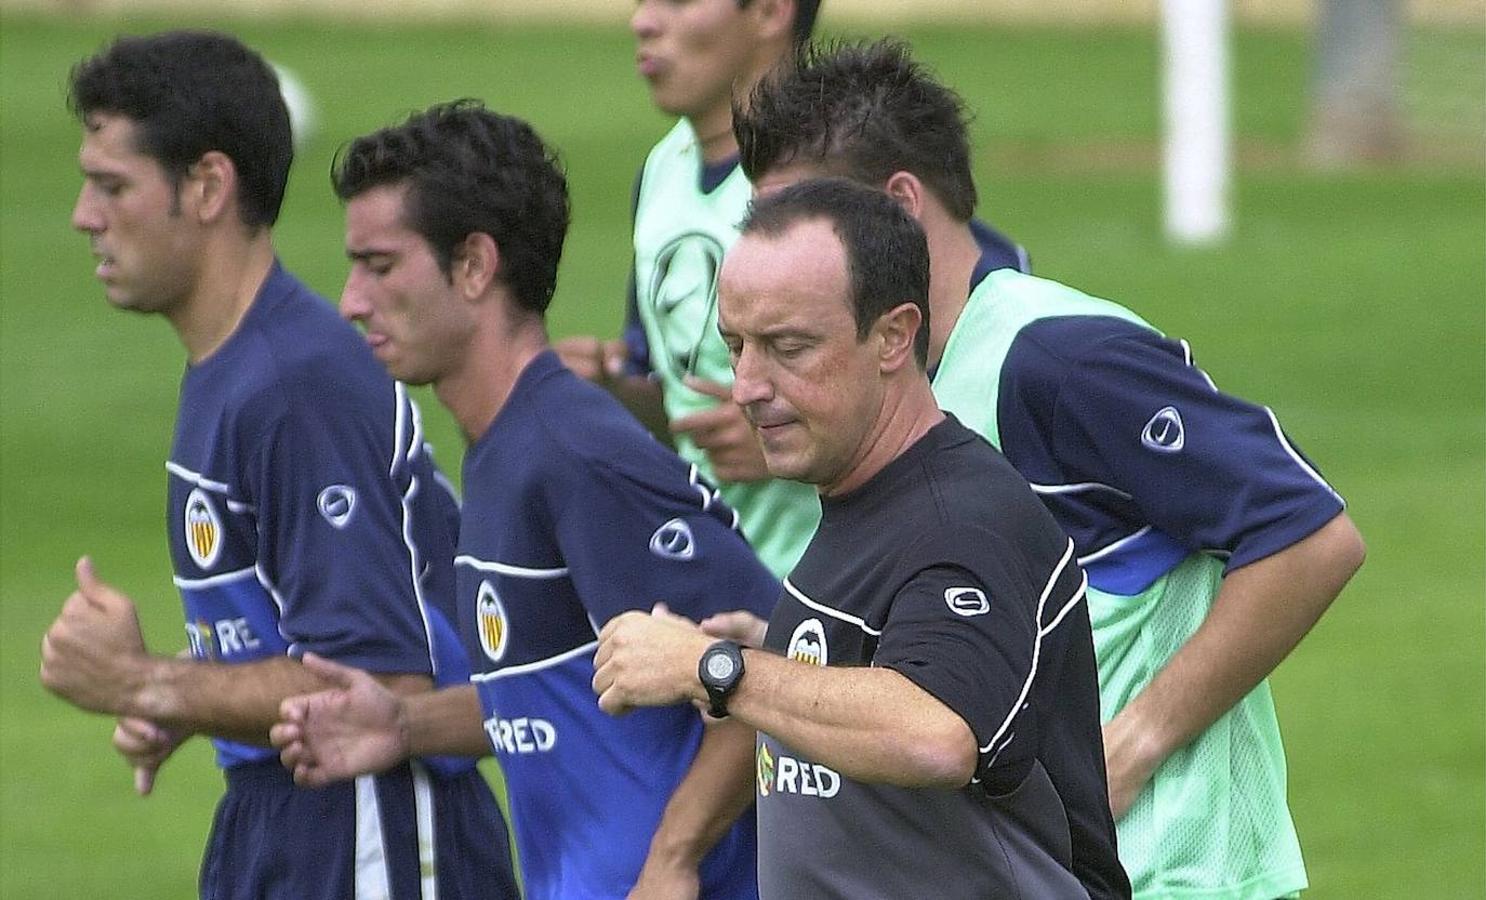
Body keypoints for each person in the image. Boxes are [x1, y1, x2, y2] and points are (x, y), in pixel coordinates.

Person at [728, 39, 1368, 899]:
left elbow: (1313, 536)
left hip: (1173, 870)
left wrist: (1134, 742)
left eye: (796, 212)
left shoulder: (1056, 358)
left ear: (898, 206)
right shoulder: (900, 392)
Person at [38, 31, 515, 900]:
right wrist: (185, 697)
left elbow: (379, 680)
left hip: (369, 825)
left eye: (113, 185)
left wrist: (148, 683)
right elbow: (303, 623)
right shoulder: (236, 366)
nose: (83, 214)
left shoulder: (292, 386)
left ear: (208, 187)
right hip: (291, 814)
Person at [269, 100, 780, 900]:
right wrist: (406, 726)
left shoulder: (577, 454)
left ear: (474, 265)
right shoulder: (506, 447)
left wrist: (673, 858)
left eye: (379, 265)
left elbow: (777, 666)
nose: (350, 301)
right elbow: (555, 698)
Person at [593, 177, 1131, 899]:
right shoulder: (861, 498)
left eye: (788, 347)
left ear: (892, 336)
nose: (748, 384)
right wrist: (774, 652)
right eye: (737, 345)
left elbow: (935, 733)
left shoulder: (960, 520)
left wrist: (715, 669)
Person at [560, 0, 1030, 579]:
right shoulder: (662, 171)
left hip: (856, 577)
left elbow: (980, 359)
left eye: (678, 0)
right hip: (717, 573)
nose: (644, 21)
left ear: (769, 11)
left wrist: (814, 427)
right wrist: (606, 391)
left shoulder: (838, 170)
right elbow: (673, 393)